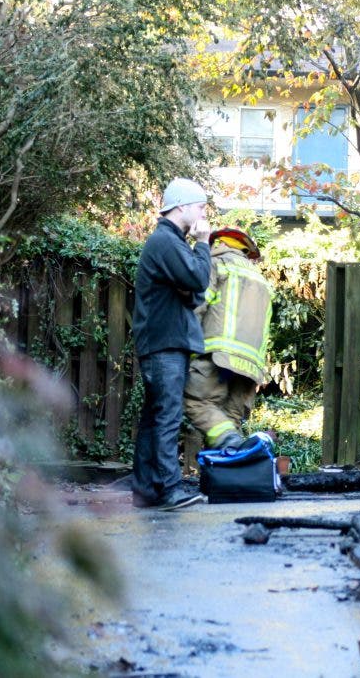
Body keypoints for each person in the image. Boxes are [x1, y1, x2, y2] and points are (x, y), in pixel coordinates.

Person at [132, 178, 212, 510]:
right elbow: (198, 279)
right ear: (180, 206)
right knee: (167, 416)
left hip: (161, 342)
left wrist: (192, 276)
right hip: (164, 344)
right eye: (199, 207)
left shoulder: (170, 242)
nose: (204, 214)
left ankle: (145, 489)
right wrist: (204, 243)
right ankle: (169, 489)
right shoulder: (167, 242)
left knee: (154, 416)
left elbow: (192, 292)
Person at [184, 227, 273, 453]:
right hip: (250, 366)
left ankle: (229, 445)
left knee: (197, 402)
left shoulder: (216, 265)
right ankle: (226, 480)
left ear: (218, 244)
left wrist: (185, 347)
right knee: (230, 419)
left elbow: (199, 306)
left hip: (217, 355)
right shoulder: (260, 279)